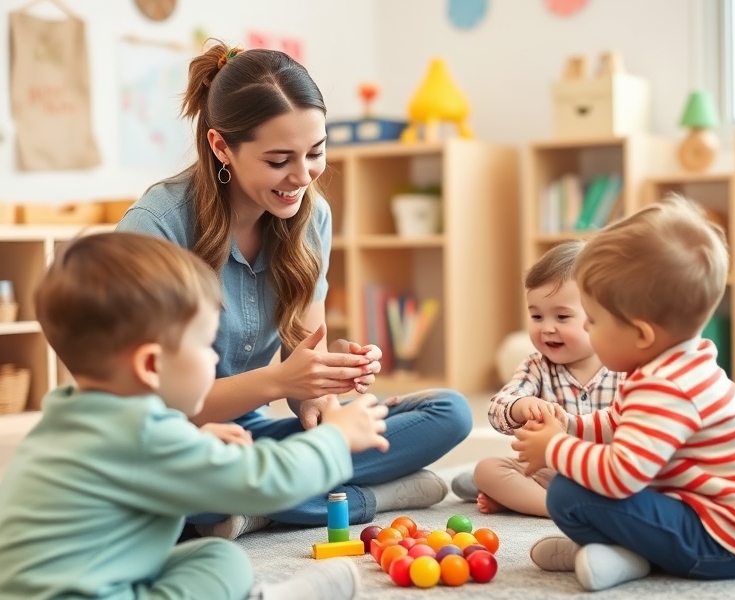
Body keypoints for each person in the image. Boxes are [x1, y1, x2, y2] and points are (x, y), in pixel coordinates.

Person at [116, 42, 471, 540]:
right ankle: (362, 498)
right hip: (171, 444)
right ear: (221, 147)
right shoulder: (156, 229)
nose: (302, 176)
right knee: (153, 488)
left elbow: (307, 377)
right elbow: (136, 407)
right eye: (280, 159)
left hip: (252, 438)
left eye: (316, 152)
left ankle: (260, 503)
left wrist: (322, 387)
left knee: (449, 412)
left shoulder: (310, 219)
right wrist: (282, 382)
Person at [0, 232, 390, 600]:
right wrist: (335, 437)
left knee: (216, 557)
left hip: (68, 581)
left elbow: (135, 468)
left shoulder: (71, 415)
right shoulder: (140, 435)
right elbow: (264, 483)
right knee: (226, 563)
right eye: (206, 344)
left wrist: (196, 446)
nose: (216, 357)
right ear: (151, 364)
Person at [515, 195, 735, 592]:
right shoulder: (676, 363)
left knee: (568, 491)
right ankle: (624, 549)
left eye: (592, 320)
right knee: (586, 476)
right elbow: (618, 422)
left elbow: (621, 476)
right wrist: (573, 425)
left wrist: (555, 447)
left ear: (642, 334)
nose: (589, 332)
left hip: (727, 545)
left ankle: (630, 556)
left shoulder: (666, 387)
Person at [451, 241, 623, 515]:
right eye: (537, 316)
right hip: (549, 470)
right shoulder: (536, 365)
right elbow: (497, 408)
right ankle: (553, 508)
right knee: (487, 470)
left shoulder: (623, 365)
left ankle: (522, 500)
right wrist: (521, 405)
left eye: (562, 316)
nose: (547, 328)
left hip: (606, 469)